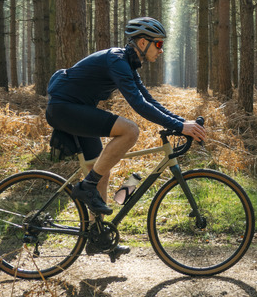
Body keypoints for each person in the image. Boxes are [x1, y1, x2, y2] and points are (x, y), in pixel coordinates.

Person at [45, 17, 206, 223]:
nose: (161, 50)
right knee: (130, 130)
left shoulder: (127, 65)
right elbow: (139, 105)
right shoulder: (117, 61)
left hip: (76, 109)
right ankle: (86, 187)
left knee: (101, 172)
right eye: (158, 44)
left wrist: (183, 122)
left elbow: (149, 100)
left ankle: (97, 235)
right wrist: (180, 126)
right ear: (142, 43)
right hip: (64, 109)